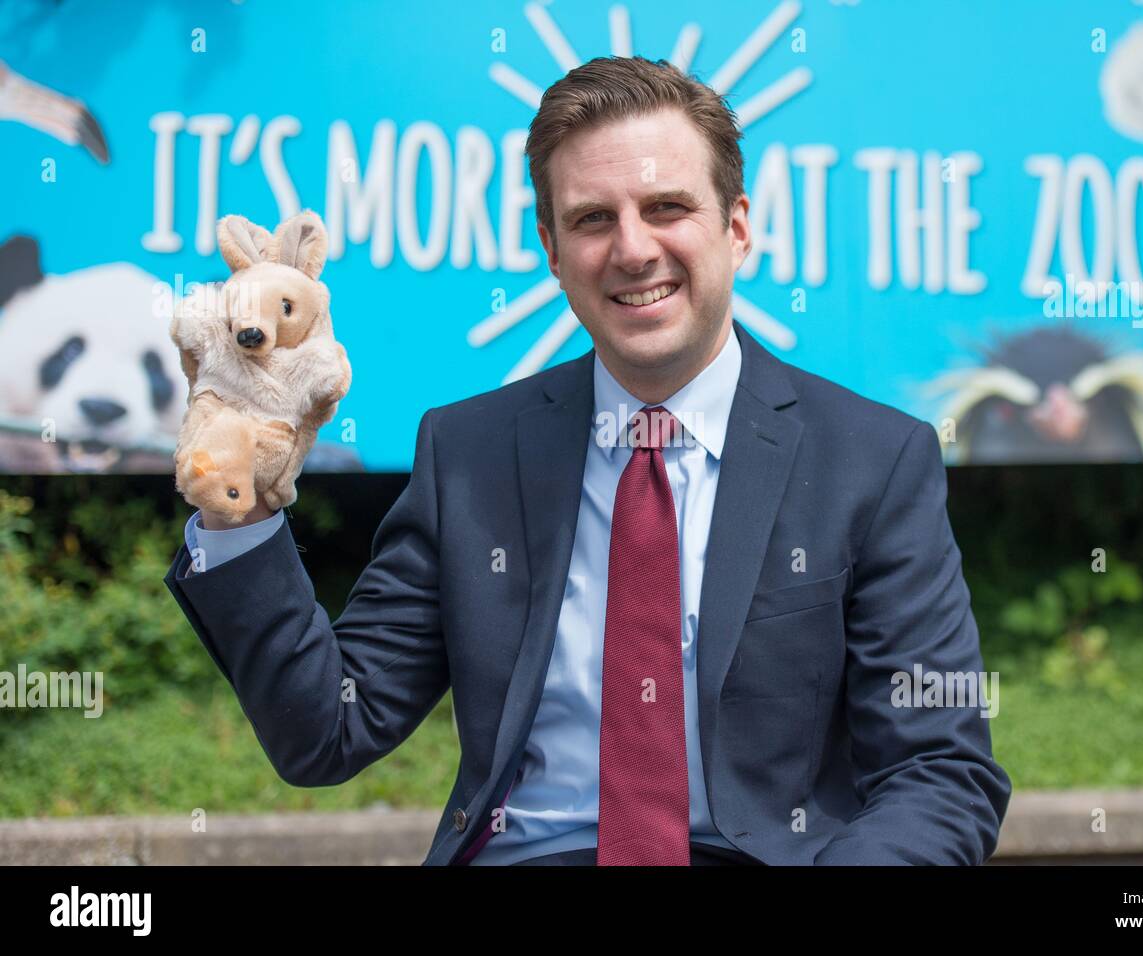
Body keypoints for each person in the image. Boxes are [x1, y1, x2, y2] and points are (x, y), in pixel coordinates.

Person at [164, 55, 1011, 866]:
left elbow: (939, 772)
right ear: (552, 250)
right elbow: (328, 732)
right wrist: (238, 508)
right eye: (593, 219)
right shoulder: (470, 454)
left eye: (668, 207)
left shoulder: (873, 460)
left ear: (737, 228)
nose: (633, 249)